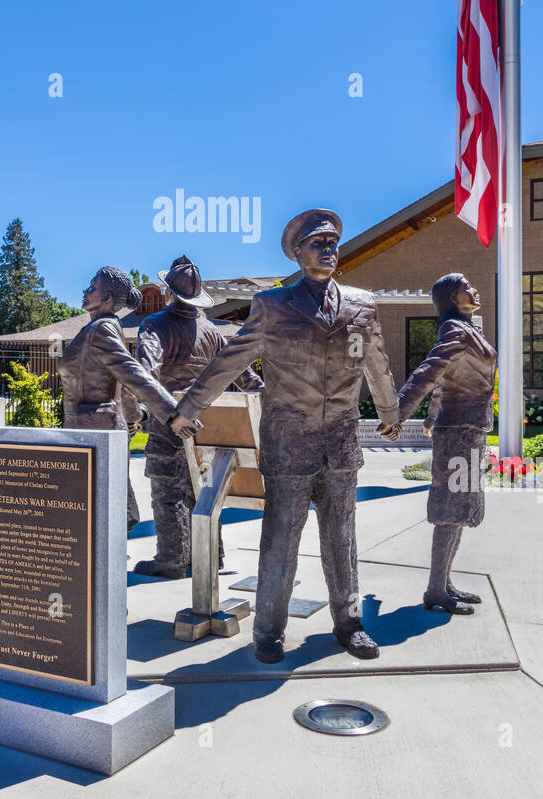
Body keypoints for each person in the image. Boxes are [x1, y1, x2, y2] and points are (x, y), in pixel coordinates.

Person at [171, 210, 401, 663]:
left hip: (340, 441)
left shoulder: (361, 304)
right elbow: (229, 363)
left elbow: (377, 361)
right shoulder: (273, 306)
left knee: (342, 540)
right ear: (297, 252)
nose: (329, 248)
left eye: (333, 241)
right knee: (280, 541)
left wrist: (390, 410)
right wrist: (187, 409)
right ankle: (269, 631)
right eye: (318, 242)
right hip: (288, 440)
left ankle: (349, 624)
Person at [133, 255, 263, 579]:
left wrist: (152, 413)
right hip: (210, 426)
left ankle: (172, 559)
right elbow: (248, 378)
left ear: (168, 292)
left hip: (169, 423)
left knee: (167, 491)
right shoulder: (213, 332)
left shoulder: (155, 326)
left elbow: (144, 374)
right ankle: (210, 556)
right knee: (204, 491)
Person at [396, 273, 497, 614]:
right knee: (448, 512)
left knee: (459, 512)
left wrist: (429, 417)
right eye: (467, 286)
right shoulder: (455, 330)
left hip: (469, 429)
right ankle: (435, 590)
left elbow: (443, 382)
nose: (474, 288)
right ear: (452, 298)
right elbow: (429, 371)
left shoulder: (468, 330)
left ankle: (444, 581)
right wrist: (396, 412)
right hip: (457, 432)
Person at [57, 266, 178, 532]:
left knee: (103, 508)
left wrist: (172, 413)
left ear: (108, 299)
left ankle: (103, 561)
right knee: (96, 507)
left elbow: (131, 374)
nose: (85, 291)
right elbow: (121, 384)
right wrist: (134, 417)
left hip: (97, 430)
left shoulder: (103, 330)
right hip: (87, 428)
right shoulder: (96, 328)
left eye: (92, 287)